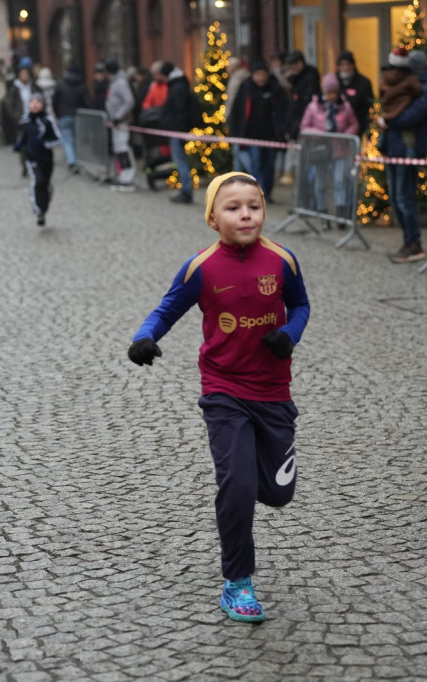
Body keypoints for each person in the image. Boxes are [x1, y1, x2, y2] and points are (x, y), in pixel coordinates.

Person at [127, 171, 310, 624]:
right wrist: (144, 337)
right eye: (233, 207)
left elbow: (301, 305)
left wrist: (289, 335)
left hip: (273, 391)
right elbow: (166, 309)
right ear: (212, 218)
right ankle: (238, 582)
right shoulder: (201, 268)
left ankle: (254, 480)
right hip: (224, 389)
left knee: (279, 494)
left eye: (254, 206)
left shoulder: (283, 260)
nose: (246, 214)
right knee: (238, 485)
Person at [378, 49, 427, 263]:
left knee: (405, 198)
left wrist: (388, 119)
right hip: (394, 147)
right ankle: (408, 241)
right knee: (396, 198)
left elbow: (410, 116)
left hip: (408, 148)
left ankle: (414, 243)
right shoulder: (409, 84)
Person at [227, 61, 288, 203]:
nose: (261, 78)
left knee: (269, 166)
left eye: (263, 74)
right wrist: (235, 132)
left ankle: (267, 192)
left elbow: (283, 111)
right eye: (258, 75)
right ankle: (259, 193)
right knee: (255, 164)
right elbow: (236, 110)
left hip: (271, 136)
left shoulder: (275, 88)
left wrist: (282, 131)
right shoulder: (245, 87)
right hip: (251, 136)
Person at [300, 72, 359, 218]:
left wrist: (345, 135)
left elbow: (354, 124)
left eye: (334, 92)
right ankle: (323, 212)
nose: (331, 96)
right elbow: (304, 127)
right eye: (328, 92)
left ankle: (341, 212)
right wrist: (321, 133)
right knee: (320, 184)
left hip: (340, 150)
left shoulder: (345, 106)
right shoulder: (313, 107)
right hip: (320, 151)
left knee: (340, 182)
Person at [14, 93, 60, 226]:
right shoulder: (25, 120)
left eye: (38, 102)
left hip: (46, 159)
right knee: (37, 181)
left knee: (45, 184)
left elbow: (57, 139)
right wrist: (19, 144)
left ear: (43, 105)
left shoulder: (47, 121)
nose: (34, 104)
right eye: (32, 102)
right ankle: (38, 211)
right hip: (31, 158)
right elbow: (24, 136)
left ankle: (44, 208)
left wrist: (45, 143)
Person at [161, 62, 201, 204]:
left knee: (180, 162)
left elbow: (180, 111)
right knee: (180, 161)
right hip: (178, 130)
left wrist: (178, 130)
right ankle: (185, 190)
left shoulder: (177, 88)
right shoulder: (179, 85)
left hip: (177, 131)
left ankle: (186, 191)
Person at [282, 51, 321, 186]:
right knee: (301, 162)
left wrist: (295, 127)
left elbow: (303, 106)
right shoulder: (296, 79)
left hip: (306, 127)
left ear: (300, 63)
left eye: (294, 64)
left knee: (307, 162)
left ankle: (308, 189)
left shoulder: (309, 78)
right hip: (298, 125)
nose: (292, 68)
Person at [105, 58, 137, 191]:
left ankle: (128, 175)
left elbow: (129, 101)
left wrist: (118, 116)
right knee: (119, 148)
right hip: (116, 121)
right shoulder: (115, 82)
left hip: (121, 122)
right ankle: (124, 174)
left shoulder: (120, 82)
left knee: (123, 148)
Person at [51, 64, 90, 172]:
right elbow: (87, 102)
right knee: (76, 139)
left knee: (67, 140)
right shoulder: (81, 85)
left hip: (64, 115)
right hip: (78, 115)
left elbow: (55, 101)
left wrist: (58, 114)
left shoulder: (61, 84)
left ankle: (72, 161)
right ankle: (76, 160)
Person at [334, 51, 374, 136]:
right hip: (335, 129)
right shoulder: (333, 82)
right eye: (342, 65)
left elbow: (369, 106)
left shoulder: (363, 83)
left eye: (348, 64)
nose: (345, 68)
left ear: (353, 65)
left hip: (357, 128)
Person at [378, 48, 423, 122]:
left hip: (386, 112)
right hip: (402, 112)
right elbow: (418, 90)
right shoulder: (410, 78)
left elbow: (381, 91)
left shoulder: (385, 76)